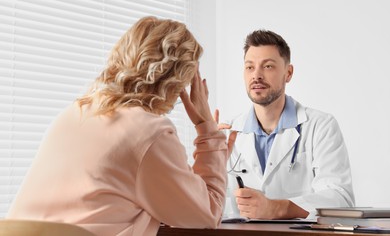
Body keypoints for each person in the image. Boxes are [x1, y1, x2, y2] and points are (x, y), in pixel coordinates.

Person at [7, 16, 230, 236]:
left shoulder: (74, 113)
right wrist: (206, 128)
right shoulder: (150, 133)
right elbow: (206, 213)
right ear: (178, 80)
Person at [218, 29, 355, 220]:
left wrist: (278, 208)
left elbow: (341, 199)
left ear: (288, 73)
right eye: (250, 67)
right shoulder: (226, 133)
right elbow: (209, 206)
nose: (256, 75)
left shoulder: (320, 126)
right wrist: (206, 166)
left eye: (267, 66)